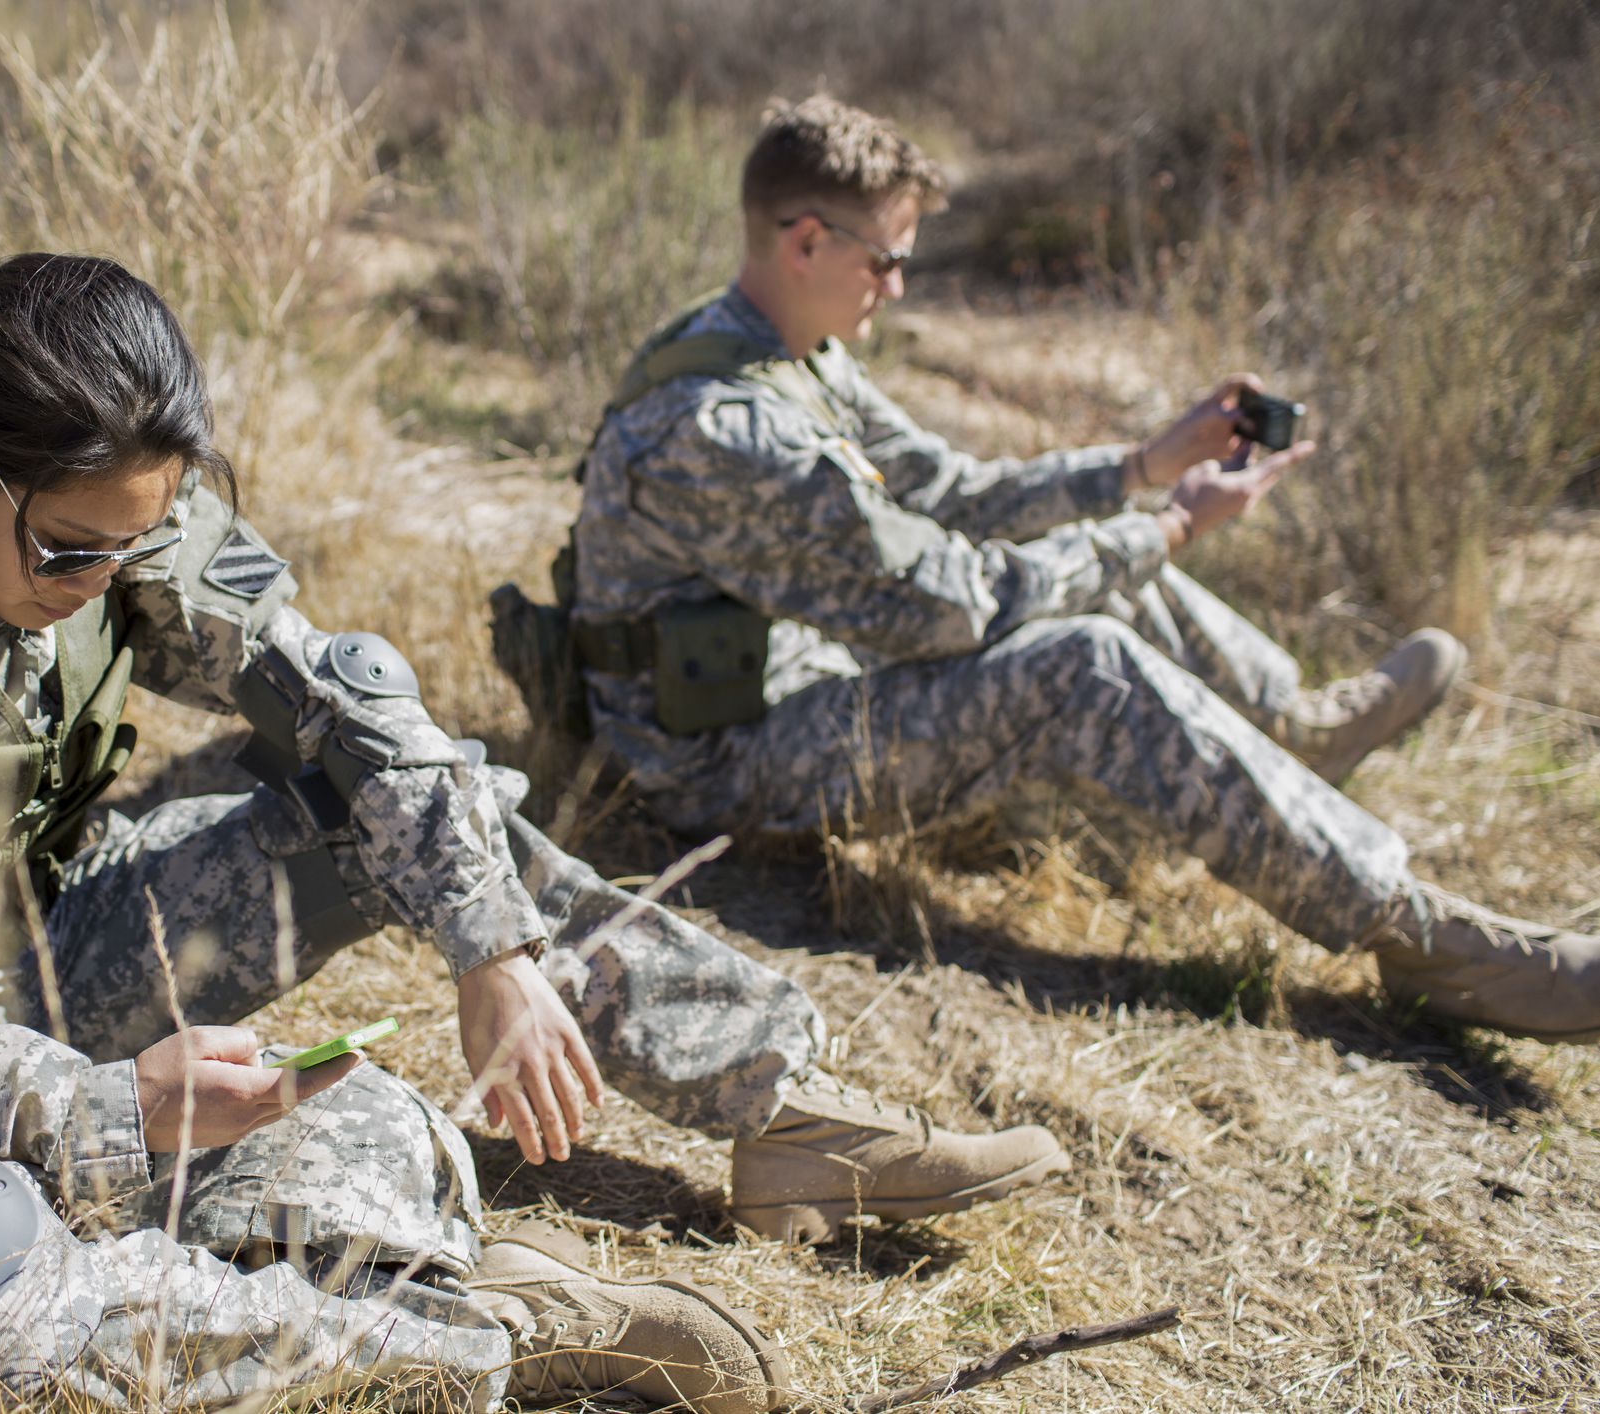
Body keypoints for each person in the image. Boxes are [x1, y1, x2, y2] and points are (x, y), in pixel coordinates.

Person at [0, 253, 1046, 1408]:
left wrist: (494, 943)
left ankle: (775, 1106)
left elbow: (356, 705)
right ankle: (463, 1335)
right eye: (66, 551)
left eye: (129, 543)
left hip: (36, 956)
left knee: (414, 804)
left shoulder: (104, 515)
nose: (98, 582)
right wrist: (98, 1108)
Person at [542, 94, 1599, 1045]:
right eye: (888, 259)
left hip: (791, 679)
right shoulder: (725, 426)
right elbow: (958, 605)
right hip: (711, 765)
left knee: (1104, 568)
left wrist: (1142, 468)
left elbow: (950, 489)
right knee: (1078, 657)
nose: (899, 287)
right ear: (808, 239)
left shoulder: (780, 344)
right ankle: (1425, 939)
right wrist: (1166, 528)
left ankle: (1293, 732)